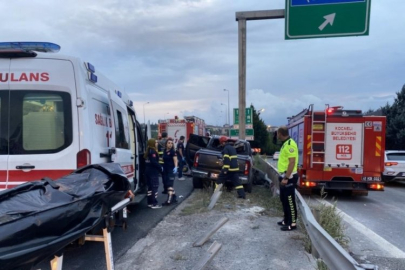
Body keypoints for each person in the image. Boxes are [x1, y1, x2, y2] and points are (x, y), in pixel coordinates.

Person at [276, 126, 299, 231]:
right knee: (284, 199)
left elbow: (292, 162)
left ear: (281, 133)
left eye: (277, 133)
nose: (277, 135)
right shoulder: (285, 144)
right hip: (283, 176)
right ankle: (286, 220)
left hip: (289, 177)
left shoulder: (290, 144)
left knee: (290, 201)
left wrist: (286, 177)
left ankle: (292, 223)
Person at [144, 138, 163, 209]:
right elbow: (154, 162)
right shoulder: (153, 152)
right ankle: (154, 203)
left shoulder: (148, 151)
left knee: (150, 188)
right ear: (152, 143)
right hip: (153, 172)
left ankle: (149, 202)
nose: (157, 143)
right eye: (155, 142)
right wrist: (160, 167)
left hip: (147, 171)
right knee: (154, 187)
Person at [162, 138, 178, 205]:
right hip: (165, 170)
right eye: (169, 143)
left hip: (171, 170)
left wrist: (176, 167)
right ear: (166, 144)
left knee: (169, 185)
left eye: (171, 143)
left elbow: (175, 160)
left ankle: (169, 200)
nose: (170, 144)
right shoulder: (165, 151)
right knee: (166, 184)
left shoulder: (172, 152)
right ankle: (174, 198)